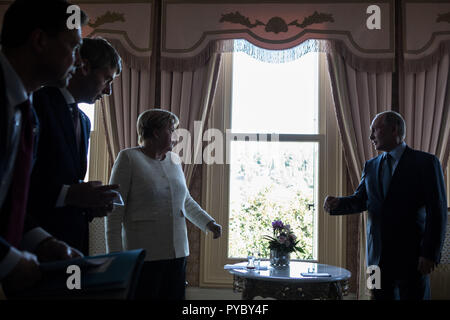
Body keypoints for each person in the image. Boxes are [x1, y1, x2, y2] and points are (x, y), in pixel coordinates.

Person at [0, 0, 89, 296]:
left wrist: (42, 241)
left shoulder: (28, 114)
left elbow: (7, 200)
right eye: (73, 48)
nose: (78, 63)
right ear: (39, 40)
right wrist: (8, 260)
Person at [323, 111, 447, 300]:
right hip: (375, 260)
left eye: (375, 130)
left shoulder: (426, 163)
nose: (371, 136)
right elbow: (361, 200)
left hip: (412, 258)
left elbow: (437, 212)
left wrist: (430, 253)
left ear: (394, 129)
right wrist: (337, 204)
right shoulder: (370, 166)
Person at [106, 109, 222, 300]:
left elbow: (185, 200)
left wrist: (208, 223)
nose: (176, 137)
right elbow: (115, 211)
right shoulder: (128, 158)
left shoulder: (174, 161)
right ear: (156, 132)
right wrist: (117, 258)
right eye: (171, 130)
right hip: (144, 255)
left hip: (177, 252)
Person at [27, 37, 122, 255]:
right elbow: (17, 186)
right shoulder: (36, 105)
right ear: (85, 67)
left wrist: (91, 205)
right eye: (107, 79)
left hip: (74, 245)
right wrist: (69, 195)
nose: (108, 91)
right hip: (36, 246)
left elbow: (70, 182)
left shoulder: (84, 120)